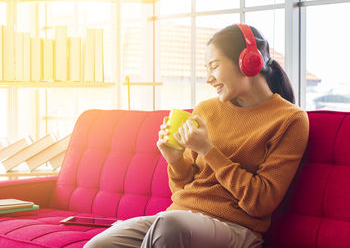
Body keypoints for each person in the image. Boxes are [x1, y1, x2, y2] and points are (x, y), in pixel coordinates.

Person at [84, 23, 309, 248]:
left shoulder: (289, 120)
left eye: (214, 66)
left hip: (236, 229)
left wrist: (208, 150)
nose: (209, 78)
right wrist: (175, 159)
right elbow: (183, 189)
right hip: (179, 218)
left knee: (169, 225)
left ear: (249, 61)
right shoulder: (206, 109)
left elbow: (260, 203)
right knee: (99, 245)